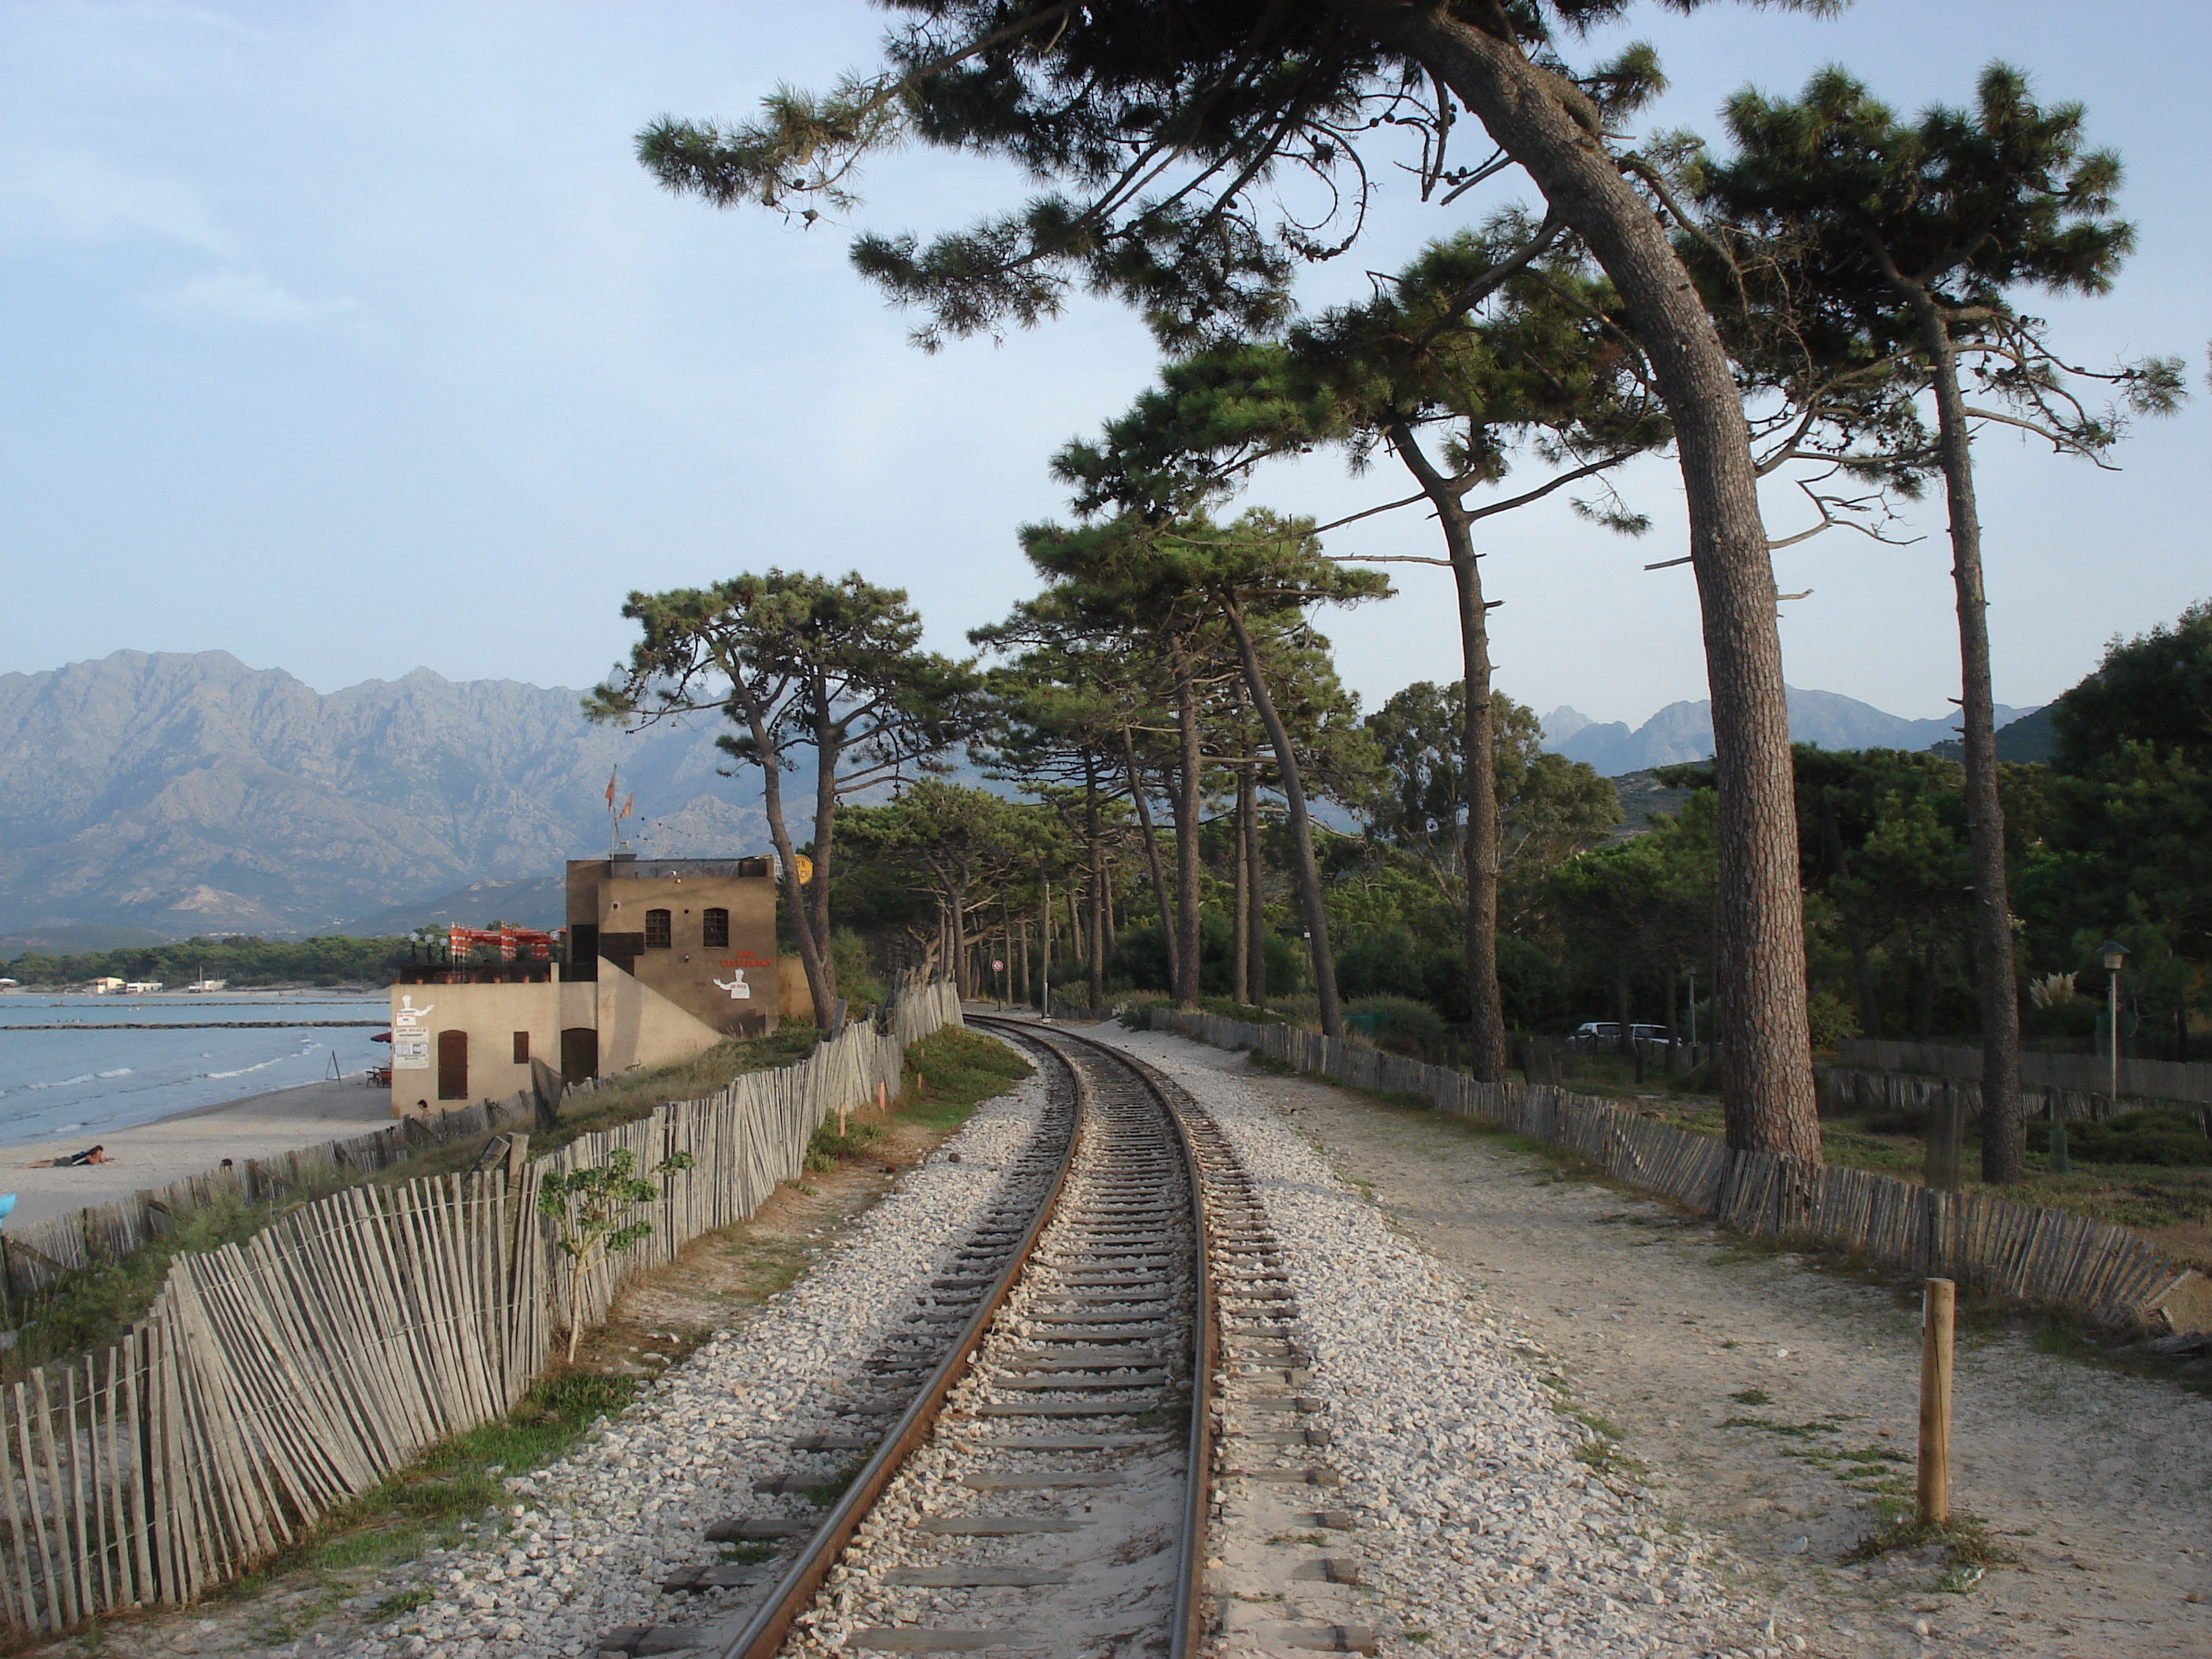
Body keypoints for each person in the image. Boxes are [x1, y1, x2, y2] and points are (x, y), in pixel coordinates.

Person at [24, 1144, 113, 1168]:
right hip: (69, 1162)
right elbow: (95, 1162)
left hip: (69, 1159)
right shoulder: (88, 1156)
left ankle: (39, 1162)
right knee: (51, 1164)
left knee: (53, 1162)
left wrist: (106, 1159)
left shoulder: (89, 1154)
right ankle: (30, 1166)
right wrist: (98, 1156)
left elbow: (102, 1160)